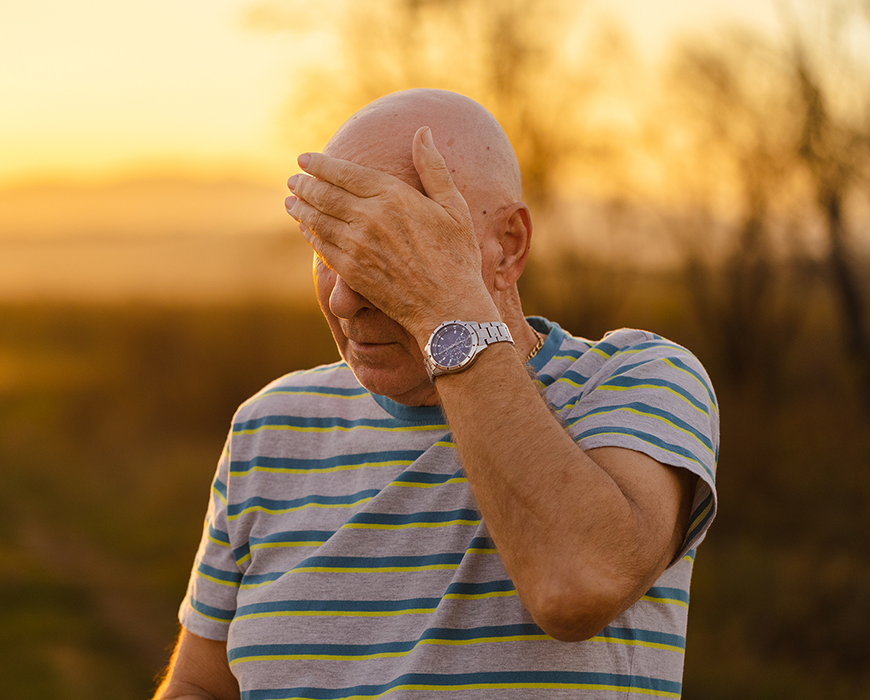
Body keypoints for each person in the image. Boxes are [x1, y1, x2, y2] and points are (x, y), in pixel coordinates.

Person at [154, 88, 718, 700]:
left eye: (387, 254)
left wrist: (441, 306)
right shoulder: (271, 426)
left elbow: (575, 585)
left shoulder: (636, 379)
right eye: (327, 251)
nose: (342, 300)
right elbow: (200, 686)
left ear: (508, 245)